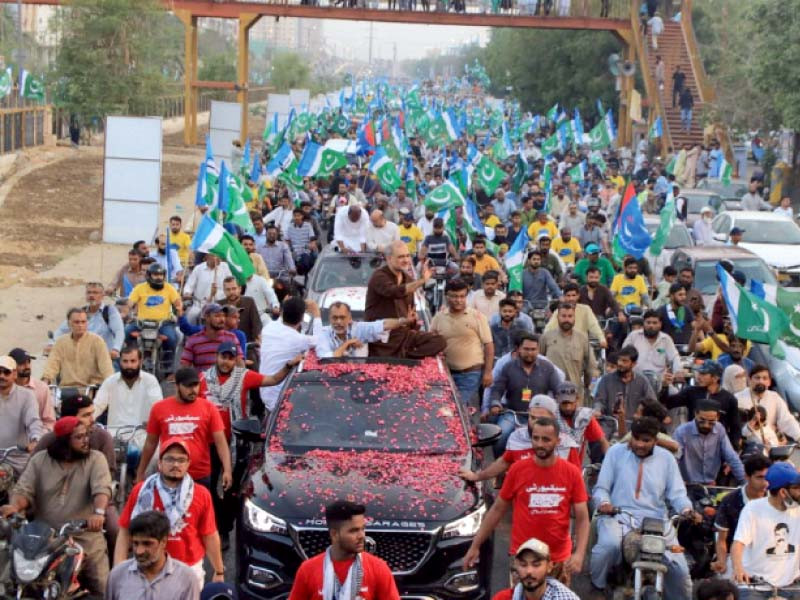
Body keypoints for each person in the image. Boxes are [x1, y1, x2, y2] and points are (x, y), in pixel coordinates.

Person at [464, 417, 589, 586]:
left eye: (546, 439)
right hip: (524, 559)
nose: (539, 444)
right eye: (536, 438)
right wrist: (475, 545)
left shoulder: (572, 473)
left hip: (558, 558)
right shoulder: (517, 470)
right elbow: (497, 510)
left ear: (557, 441)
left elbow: (582, 517)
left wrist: (579, 554)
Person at [590, 417, 699, 600]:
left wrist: (687, 510)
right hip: (618, 515)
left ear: (655, 441)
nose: (640, 444)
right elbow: (601, 488)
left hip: (657, 521)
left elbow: (677, 494)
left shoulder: (667, 459)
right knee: (608, 547)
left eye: (646, 440)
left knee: (679, 569)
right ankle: (597, 589)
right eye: (636, 438)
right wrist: (604, 503)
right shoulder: (615, 452)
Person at [2, 416, 112, 595]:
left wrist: (98, 513)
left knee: (103, 586)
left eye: (87, 435)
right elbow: (24, 490)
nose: (86, 441)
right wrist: (14, 507)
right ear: (63, 441)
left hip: (83, 536)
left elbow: (102, 489)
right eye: (79, 437)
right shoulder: (40, 460)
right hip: (46, 539)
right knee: (10, 582)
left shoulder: (96, 459)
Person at [116, 438, 222, 587]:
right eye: (170, 459)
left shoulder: (202, 494)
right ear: (160, 463)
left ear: (188, 464)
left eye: (181, 460)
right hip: (148, 568)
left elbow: (209, 534)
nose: (176, 464)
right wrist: (119, 569)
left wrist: (219, 571)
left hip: (189, 570)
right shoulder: (141, 491)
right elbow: (125, 531)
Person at [135, 367, 231, 492]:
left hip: (199, 475)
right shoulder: (159, 408)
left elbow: (221, 442)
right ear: (177, 386)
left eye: (196, 385)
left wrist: (227, 470)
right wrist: (141, 471)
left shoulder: (209, 408)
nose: (194, 390)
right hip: (169, 474)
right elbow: (150, 443)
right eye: (188, 386)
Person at [288, 500, 400, 600]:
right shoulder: (308, 570)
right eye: (353, 531)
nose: (361, 536)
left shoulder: (378, 568)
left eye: (362, 529)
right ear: (334, 534)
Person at [364, 241, 446, 358]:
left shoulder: (408, 279)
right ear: (389, 258)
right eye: (401, 257)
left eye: (408, 256)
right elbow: (394, 291)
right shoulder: (379, 276)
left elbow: (410, 314)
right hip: (383, 341)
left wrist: (413, 320)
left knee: (439, 341)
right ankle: (403, 357)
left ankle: (407, 356)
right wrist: (422, 280)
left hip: (404, 337)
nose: (406, 260)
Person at [731, 461, 800, 594]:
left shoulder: (798, 510)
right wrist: (738, 568)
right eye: (797, 488)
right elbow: (738, 544)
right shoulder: (753, 509)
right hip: (755, 585)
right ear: (783, 492)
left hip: (791, 585)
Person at [106, 510, 200, 600]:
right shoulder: (118, 575)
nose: (139, 551)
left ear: (163, 542)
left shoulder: (186, 578)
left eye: (147, 544)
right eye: (135, 543)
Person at [431, 278, 494, 406]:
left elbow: (488, 345)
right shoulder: (439, 317)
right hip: (445, 375)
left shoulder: (477, 317)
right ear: (446, 296)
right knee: (446, 410)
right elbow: (430, 342)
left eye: (462, 296)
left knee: (459, 409)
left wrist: (487, 372)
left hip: (470, 374)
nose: (458, 300)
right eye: (454, 296)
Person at [711, 454, 771, 578]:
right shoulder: (730, 501)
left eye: (767, 477)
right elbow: (721, 539)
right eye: (759, 477)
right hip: (736, 555)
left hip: (768, 556)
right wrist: (722, 561)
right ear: (747, 477)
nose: (765, 483)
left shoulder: (774, 499)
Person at [259, 298, 321, 414]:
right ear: (302, 318)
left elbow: (282, 321)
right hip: (280, 401)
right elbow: (320, 341)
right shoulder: (298, 339)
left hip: (265, 393)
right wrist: (316, 314)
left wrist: (289, 304)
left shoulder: (268, 328)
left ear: (282, 312)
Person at [664, 359, 742, 449]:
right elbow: (668, 403)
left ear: (715, 378)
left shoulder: (729, 399)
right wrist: (665, 386)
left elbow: (735, 427)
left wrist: (734, 450)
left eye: (703, 374)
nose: (698, 377)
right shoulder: (691, 392)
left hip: (717, 446)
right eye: (699, 373)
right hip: (693, 443)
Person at [673, 400, 746, 484]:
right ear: (696, 414)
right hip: (687, 485)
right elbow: (674, 459)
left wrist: (745, 482)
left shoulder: (719, 429)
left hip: (710, 484)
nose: (706, 425)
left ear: (717, 417)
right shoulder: (682, 431)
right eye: (702, 420)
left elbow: (732, 457)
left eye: (711, 421)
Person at [489, 333, 560, 417]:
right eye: (526, 349)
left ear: (538, 350)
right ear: (519, 349)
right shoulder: (508, 367)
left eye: (533, 349)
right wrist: (495, 404)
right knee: (503, 430)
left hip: (540, 416)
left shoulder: (547, 367)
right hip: (512, 415)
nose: (529, 353)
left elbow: (558, 390)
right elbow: (497, 389)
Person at [127, 262, 182, 371]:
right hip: (141, 323)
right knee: (126, 332)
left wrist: (179, 308)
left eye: (161, 275)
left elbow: (178, 303)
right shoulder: (139, 288)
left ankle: (167, 366)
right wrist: (125, 312)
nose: (158, 277)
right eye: (155, 275)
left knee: (172, 339)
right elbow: (130, 303)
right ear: (149, 276)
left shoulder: (169, 288)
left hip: (163, 323)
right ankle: (131, 359)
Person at [42, 307, 114, 388]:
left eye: (83, 322)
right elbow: (52, 364)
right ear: (69, 323)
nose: (80, 325)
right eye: (77, 322)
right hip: (67, 389)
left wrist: (110, 385)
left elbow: (106, 367)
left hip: (91, 389)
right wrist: (45, 381)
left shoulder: (97, 341)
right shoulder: (60, 342)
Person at [52, 282, 125, 359]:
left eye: (95, 293)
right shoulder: (80, 312)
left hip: (106, 358)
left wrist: (116, 349)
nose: (91, 295)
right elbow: (61, 330)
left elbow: (119, 331)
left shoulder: (109, 311)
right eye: (89, 292)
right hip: (84, 359)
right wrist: (51, 343)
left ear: (102, 295)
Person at [539, 302, 596, 401]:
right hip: (552, 393)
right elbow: (538, 361)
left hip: (575, 394)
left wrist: (590, 386)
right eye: (563, 316)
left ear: (574, 318)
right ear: (557, 317)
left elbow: (591, 367)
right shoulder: (546, 337)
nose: (567, 319)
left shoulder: (582, 339)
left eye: (570, 316)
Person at [491, 538, 580, 600]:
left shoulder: (565, 597)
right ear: (516, 566)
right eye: (523, 564)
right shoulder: (503, 598)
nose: (529, 571)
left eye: (536, 565)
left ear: (549, 567)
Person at [0, 354, 46, 474]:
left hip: (17, 458)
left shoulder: (27, 396)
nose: (2, 376)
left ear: (14, 374)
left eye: (6, 372)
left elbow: (33, 421)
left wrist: (35, 440)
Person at [315, 302, 408, 359]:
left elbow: (382, 325)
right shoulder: (323, 334)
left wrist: (403, 321)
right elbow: (326, 357)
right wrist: (347, 344)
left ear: (349, 318)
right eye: (334, 318)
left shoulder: (358, 328)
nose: (338, 322)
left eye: (342, 318)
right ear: (329, 319)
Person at [736, 365, 800, 442]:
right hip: (748, 443)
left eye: (764, 378)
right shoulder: (738, 398)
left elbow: (787, 420)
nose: (761, 381)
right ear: (749, 380)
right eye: (757, 378)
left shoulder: (774, 397)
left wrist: (798, 436)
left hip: (771, 441)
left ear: (769, 382)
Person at [593, 345, 657, 420]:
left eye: (624, 361)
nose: (620, 363)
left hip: (634, 426)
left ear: (633, 364)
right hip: (611, 425)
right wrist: (597, 410)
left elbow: (652, 402)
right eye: (619, 360)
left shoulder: (642, 381)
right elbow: (599, 401)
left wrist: (641, 411)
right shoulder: (606, 380)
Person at [554, 381, 609, 466]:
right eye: (564, 403)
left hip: (575, 469)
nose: (568, 407)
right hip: (554, 466)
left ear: (577, 400)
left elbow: (603, 441)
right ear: (557, 400)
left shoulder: (584, 417)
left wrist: (609, 463)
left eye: (571, 403)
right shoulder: (551, 417)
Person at [180, 303, 243, 371]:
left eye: (223, 316)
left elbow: (240, 364)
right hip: (202, 380)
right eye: (217, 316)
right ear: (207, 317)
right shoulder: (193, 340)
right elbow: (184, 367)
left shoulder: (231, 338)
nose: (222, 319)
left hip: (227, 380)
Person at [7, 348, 55, 432]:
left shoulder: (42, 388)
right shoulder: (5, 387)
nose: (27, 366)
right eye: (22, 363)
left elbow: (49, 422)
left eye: (29, 362)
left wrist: (37, 437)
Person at [183, 254, 232, 323]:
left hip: (221, 305)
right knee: (191, 316)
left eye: (219, 255)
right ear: (207, 256)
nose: (218, 257)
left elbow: (230, 282)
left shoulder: (225, 267)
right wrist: (187, 293)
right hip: (200, 305)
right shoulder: (198, 268)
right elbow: (189, 285)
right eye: (215, 255)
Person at [220, 276, 262, 343]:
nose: (231, 292)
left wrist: (257, 341)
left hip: (247, 344)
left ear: (239, 289)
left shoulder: (249, 302)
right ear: (224, 291)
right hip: (225, 344)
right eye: (228, 289)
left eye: (234, 289)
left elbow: (256, 325)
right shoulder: (219, 305)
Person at [285, 207, 318, 275]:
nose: (296, 218)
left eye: (298, 216)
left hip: (305, 251)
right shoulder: (290, 227)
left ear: (302, 216)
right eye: (295, 216)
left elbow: (312, 240)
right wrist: (287, 248)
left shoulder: (308, 226)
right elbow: (287, 241)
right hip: (294, 252)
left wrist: (311, 245)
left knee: (305, 261)